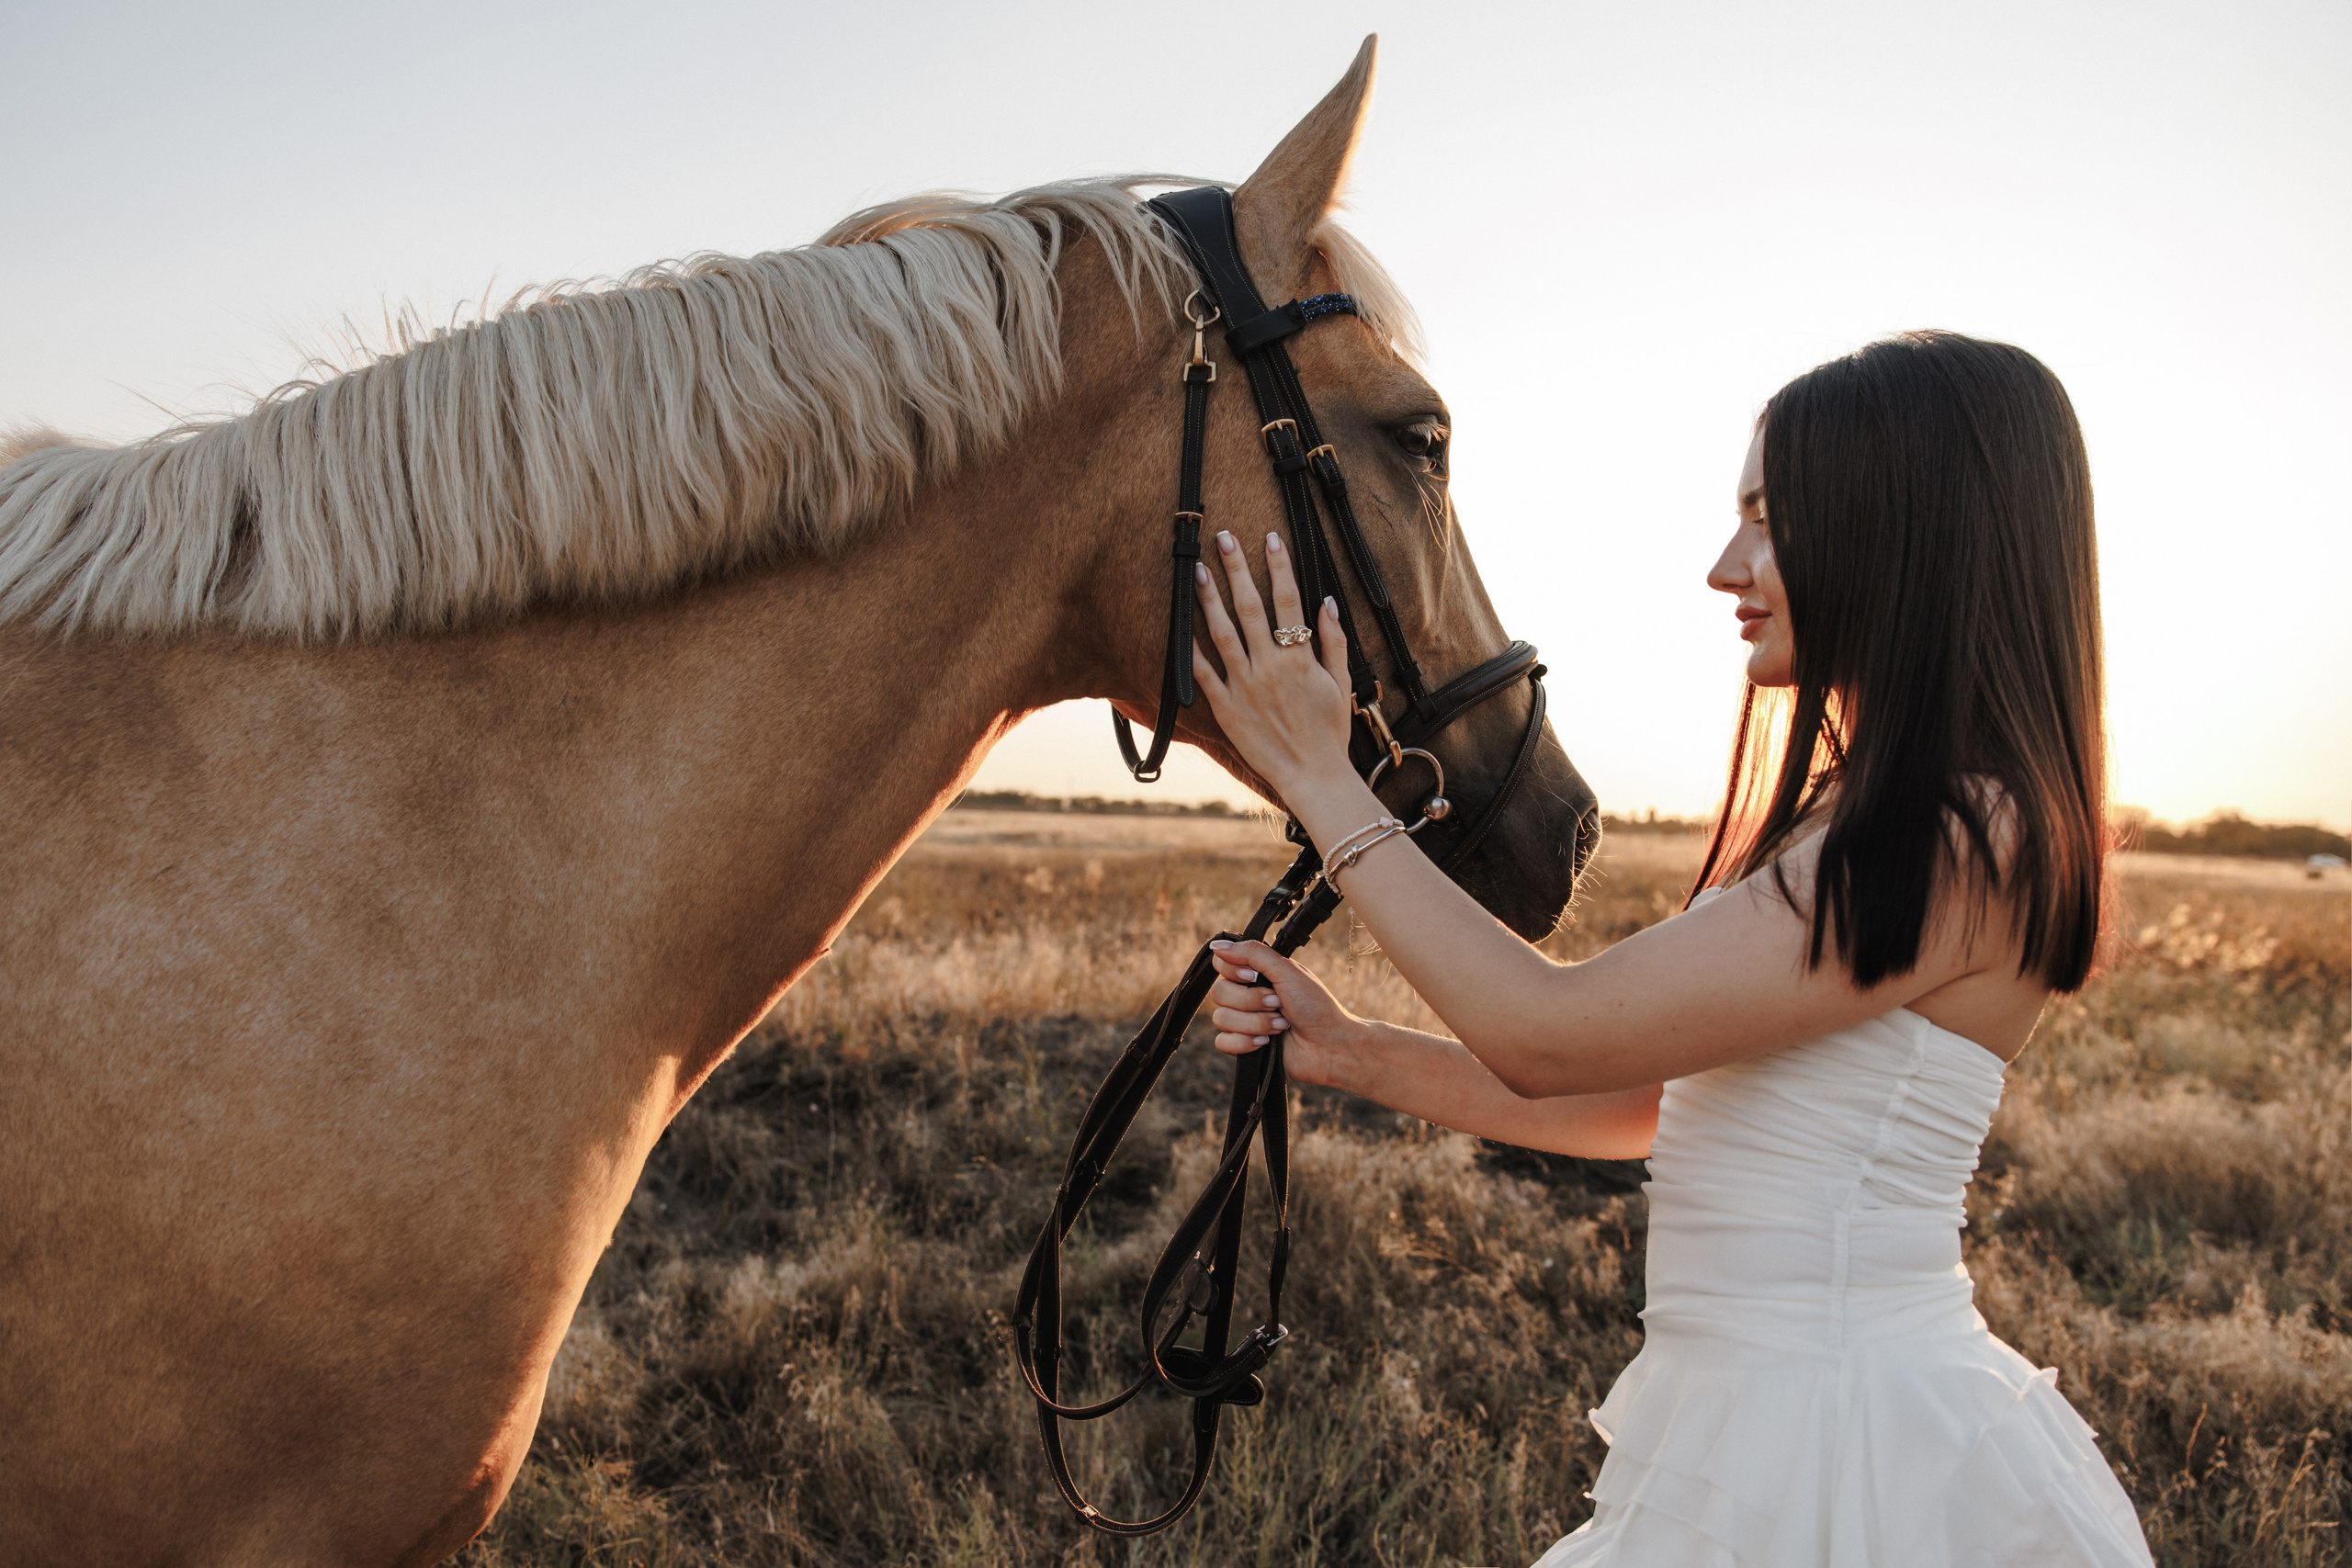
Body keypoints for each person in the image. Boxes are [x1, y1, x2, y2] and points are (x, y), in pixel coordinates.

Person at [1189, 331, 2154, 1566]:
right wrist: (1354, 1053)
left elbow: (1552, 1032)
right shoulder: (1855, 818)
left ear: (1909, 534)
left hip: (1849, 1442)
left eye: (1771, 519)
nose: (1723, 567)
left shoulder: (1967, 833)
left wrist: (1325, 779)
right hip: (1767, 1417)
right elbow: (1653, 1100)